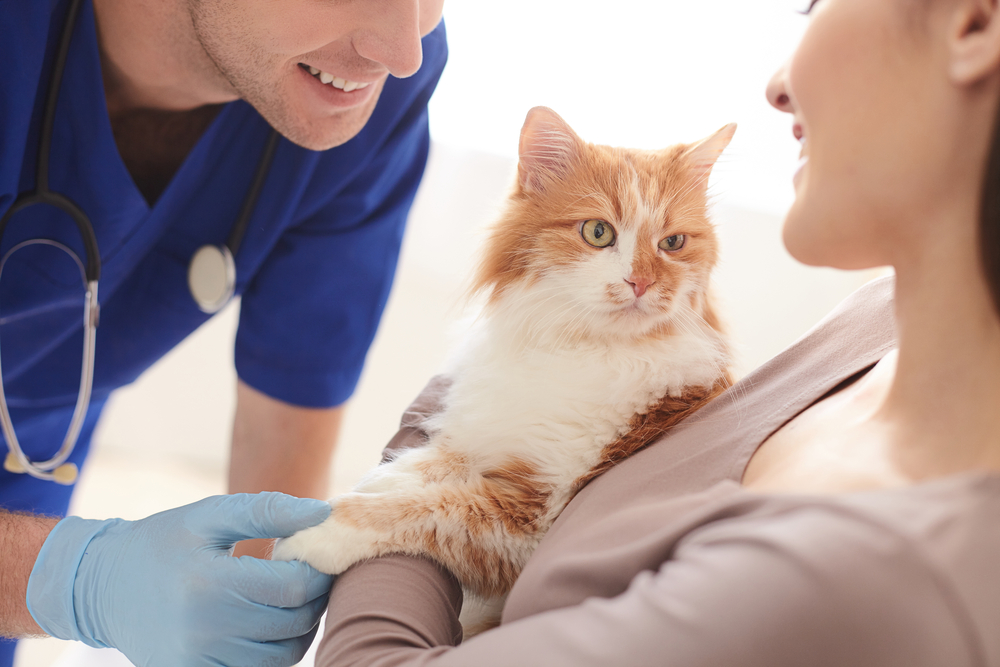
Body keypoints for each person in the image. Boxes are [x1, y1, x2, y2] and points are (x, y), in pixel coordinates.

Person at [310, 0, 1000, 664]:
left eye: (814, 4)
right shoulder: (876, 319)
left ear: (975, 22)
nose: (776, 87)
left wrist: (402, 474)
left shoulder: (848, 576)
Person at [0, 0, 446, 664]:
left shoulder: (363, 92)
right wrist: (75, 578)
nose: (403, 48)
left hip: (27, 449)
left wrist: (254, 620)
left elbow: (279, 456)